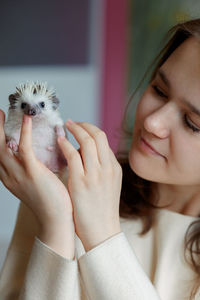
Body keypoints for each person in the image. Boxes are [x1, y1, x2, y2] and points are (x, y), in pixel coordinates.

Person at [0, 17, 200, 300]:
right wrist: (55, 220)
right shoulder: (61, 187)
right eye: (159, 90)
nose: (154, 122)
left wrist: (103, 237)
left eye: (192, 123)